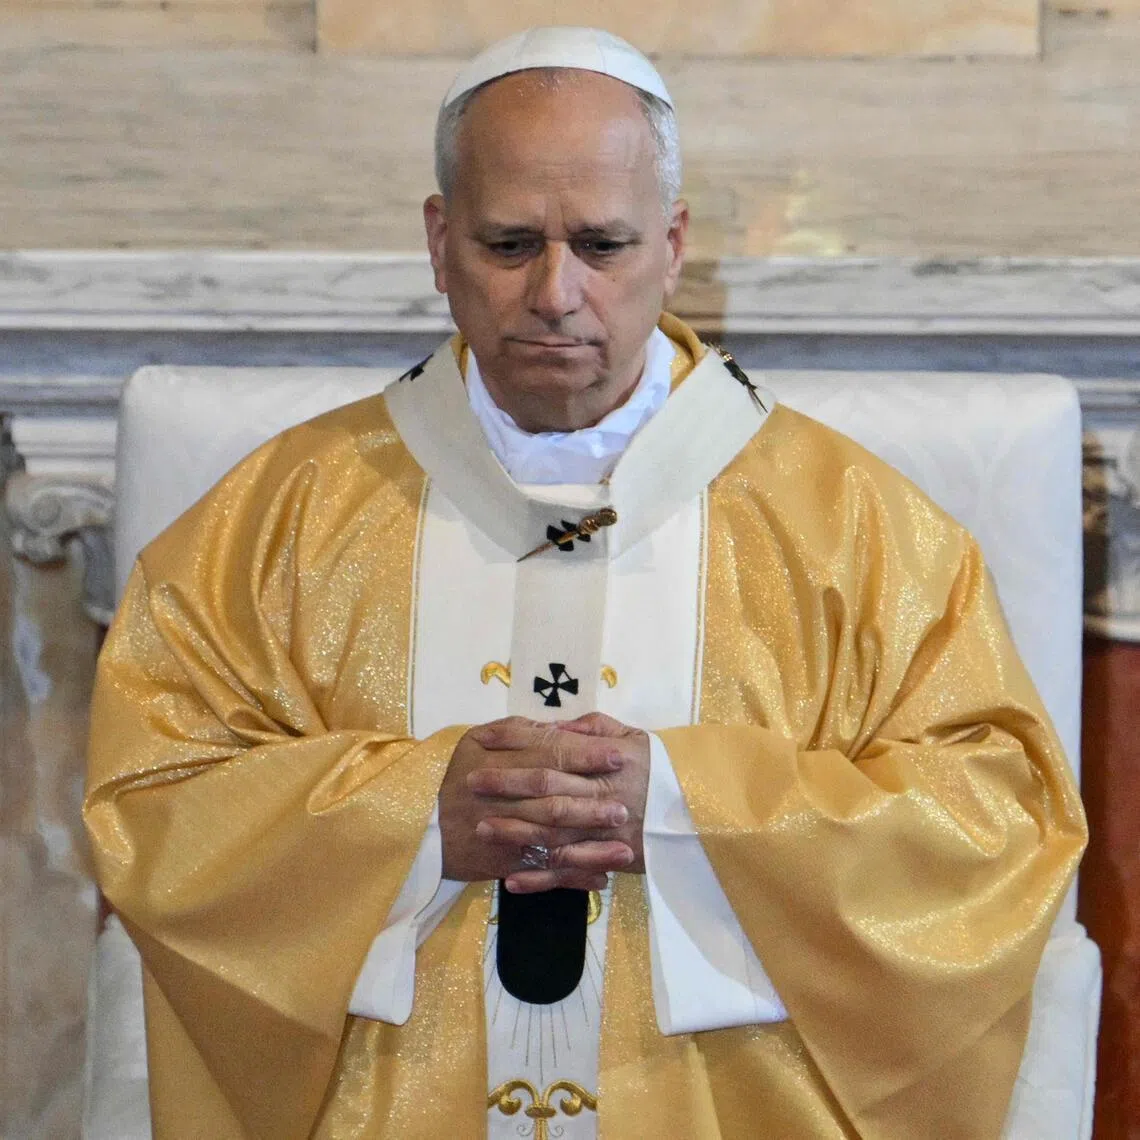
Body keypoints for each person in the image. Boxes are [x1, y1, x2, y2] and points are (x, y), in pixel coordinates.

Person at [84, 26, 1086, 1140]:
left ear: (673, 242)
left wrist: (680, 802)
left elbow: (997, 821)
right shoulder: (280, 524)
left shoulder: (856, 529)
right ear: (436, 238)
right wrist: (411, 820)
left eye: (602, 245)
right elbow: (153, 799)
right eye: (510, 243)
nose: (556, 294)